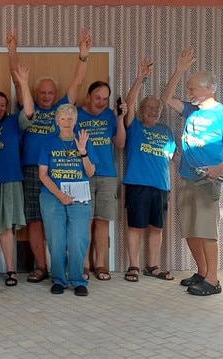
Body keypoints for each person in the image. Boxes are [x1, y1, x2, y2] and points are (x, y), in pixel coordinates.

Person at [9, 29, 91, 283]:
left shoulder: (62, 110)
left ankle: (72, 268)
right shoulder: (27, 108)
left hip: (63, 170)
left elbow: (77, 84)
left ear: (56, 96)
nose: (46, 96)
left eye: (50, 93)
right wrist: (12, 51)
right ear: (36, 94)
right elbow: (16, 80)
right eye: (42, 93)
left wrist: (83, 56)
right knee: (35, 219)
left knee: (67, 221)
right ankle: (41, 267)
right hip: (33, 170)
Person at [161, 46, 223, 296]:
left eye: (192, 88)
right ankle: (202, 272)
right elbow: (166, 98)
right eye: (188, 88)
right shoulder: (191, 110)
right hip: (186, 177)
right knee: (191, 230)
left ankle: (213, 280)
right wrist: (179, 70)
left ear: (208, 88)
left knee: (207, 231)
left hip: (207, 181)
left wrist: (217, 169)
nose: (188, 92)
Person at [122, 59, 176, 282]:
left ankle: (152, 266)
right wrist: (140, 78)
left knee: (157, 228)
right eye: (149, 108)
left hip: (161, 187)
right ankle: (133, 266)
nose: (153, 112)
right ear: (142, 110)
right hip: (137, 184)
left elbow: (170, 158)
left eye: (157, 109)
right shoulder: (134, 127)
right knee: (136, 226)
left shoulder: (166, 131)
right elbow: (130, 100)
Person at [38, 104, 97, 296]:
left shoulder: (84, 141)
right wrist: (59, 195)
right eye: (62, 119)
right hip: (53, 196)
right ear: (57, 121)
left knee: (78, 238)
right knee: (56, 239)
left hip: (79, 196)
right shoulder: (47, 143)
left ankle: (77, 279)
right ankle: (58, 279)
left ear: (75, 120)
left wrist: (83, 152)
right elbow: (43, 174)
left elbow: (90, 172)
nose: (66, 122)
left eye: (70, 119)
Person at [77, 80, 126, 281]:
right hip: (83, 174)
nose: (101, 102)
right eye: (97, 98)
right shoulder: (77, 114)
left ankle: (100, 264)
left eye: (105, 99)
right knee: (85, 221)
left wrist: (120, 119)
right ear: (88, 97)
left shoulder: (109, 115)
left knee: (102, 220)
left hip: (107, 174)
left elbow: (120, 144)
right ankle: (84, 264)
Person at [0, 64, 34, 287]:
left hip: (9, 180)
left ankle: (10, 270)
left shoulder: (13, 122)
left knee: (7, 228)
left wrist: (24, 84)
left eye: (1, 105)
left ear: (6, 107)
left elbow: (28, 111)